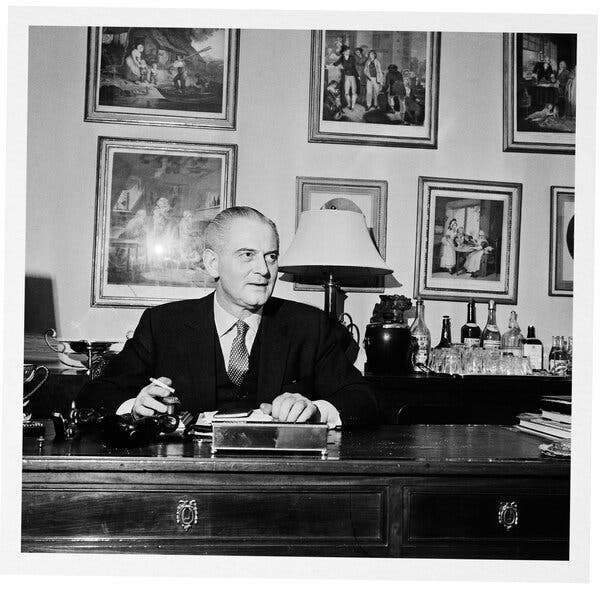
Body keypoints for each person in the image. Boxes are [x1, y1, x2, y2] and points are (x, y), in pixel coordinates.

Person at [77, 206, 378, 426]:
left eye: (271, 256)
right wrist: (135, 405)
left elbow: (363, 400)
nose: (264, 269)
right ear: (212, 263)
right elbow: (95, 395)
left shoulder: (309, 326)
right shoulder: (163, 325)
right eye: (247, 255)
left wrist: (315, 408)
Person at [333, 45, 360, 110]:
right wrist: (334, 64)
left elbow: (351, 66)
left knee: (354, 92)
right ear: (343, 52)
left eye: (348, 50)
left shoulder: (352, 57)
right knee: (346, 92)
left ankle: (353, 106)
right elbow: (336, 63)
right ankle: (349, 104)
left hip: (353, 76)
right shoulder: (342, 58)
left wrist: (343, 67)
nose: (348, 52)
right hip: (346, 77)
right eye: (347, 51)